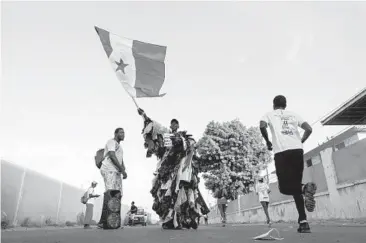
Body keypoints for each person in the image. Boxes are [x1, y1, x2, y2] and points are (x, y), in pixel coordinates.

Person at [137, 108, 210, 230]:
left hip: (181, 169)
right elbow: (153, 126)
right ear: (170, 125)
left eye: (176, 124)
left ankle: (183, 219)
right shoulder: (165, 133)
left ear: (178, 125)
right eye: (172, 123)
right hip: (167, 169)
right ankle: (169, 220)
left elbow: (190, 147)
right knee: (166, 194)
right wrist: (144, 115)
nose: (174, 125)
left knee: (183, 192)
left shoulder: (183, 138)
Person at [259, 95, 317, 233]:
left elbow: (262, 125)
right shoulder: (293, 114)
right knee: (296, 185)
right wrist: (301, 141)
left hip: (281, 152)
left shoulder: (269, 114)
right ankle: (303, 222)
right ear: (285, 105)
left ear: (274, 105)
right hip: (297, 150)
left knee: (284, 188)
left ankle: (304, 189)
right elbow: (309, 129)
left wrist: (267, 141)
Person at [98, 128, 127, 229]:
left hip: (116, 172)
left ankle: (114, 221)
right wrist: (122, 170)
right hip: (109, 170)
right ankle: (103, 222)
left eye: (124, 133)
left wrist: (123, 169)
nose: (123, 134)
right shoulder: (111, 142)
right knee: (110, 194)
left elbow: (120, 159)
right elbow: (112, 155)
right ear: (115, 134)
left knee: (118, 195)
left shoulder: (120, 146)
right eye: (121, 132)